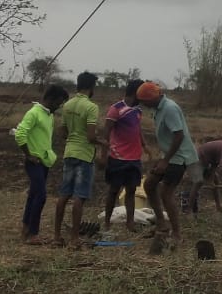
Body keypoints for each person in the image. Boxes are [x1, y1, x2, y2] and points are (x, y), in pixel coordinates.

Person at [136, 81, 199, 247]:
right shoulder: (158, 109)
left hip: (179, 157)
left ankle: (177, 234)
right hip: (169, 156)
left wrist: (165, 160)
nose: (143, 104)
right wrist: (163, 158)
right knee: (149, 185)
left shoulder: (169, 108)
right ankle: (162, 225)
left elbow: (178, 135)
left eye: (144, 101)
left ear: (151, 98)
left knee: (166, 193)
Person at [14, 84, 68, 245]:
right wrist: (28, 154)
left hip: (44, 161)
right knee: (41, 195)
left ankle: (26, 228)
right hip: (34, 161)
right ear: (50, 99)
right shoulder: (34, 113)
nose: (59, 106)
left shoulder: (49, 115)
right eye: (58, 102)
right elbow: (20, 133)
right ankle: (33, 233)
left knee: (33, 194)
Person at [54, 72, 99, 249]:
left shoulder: (67, 105)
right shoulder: (91, 107)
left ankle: (57, 237)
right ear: (91, 87)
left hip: (69, 153)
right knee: (80, 196)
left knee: (64, 195)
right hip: (84, 155)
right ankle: (74, 239)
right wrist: (103, 142)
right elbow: (90, 136)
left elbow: (63, 132)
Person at [101, 77, 145, 232]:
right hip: (117, 158)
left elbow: (138, 130)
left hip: (134, 159)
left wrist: (145, 146)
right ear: (135, 93)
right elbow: (106, 133)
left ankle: (130, 223)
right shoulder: (116, 108)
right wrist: (103, 155)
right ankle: (107, 222)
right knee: (113, 190)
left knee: (131, 191)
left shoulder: (138, 111)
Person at [188, 140, 222, 216]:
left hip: (207, 160)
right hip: (198, 157)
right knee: (198, 182)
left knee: (215, 180)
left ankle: (219, 206)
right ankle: (189, 211)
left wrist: (211, 179)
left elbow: (215, 163)